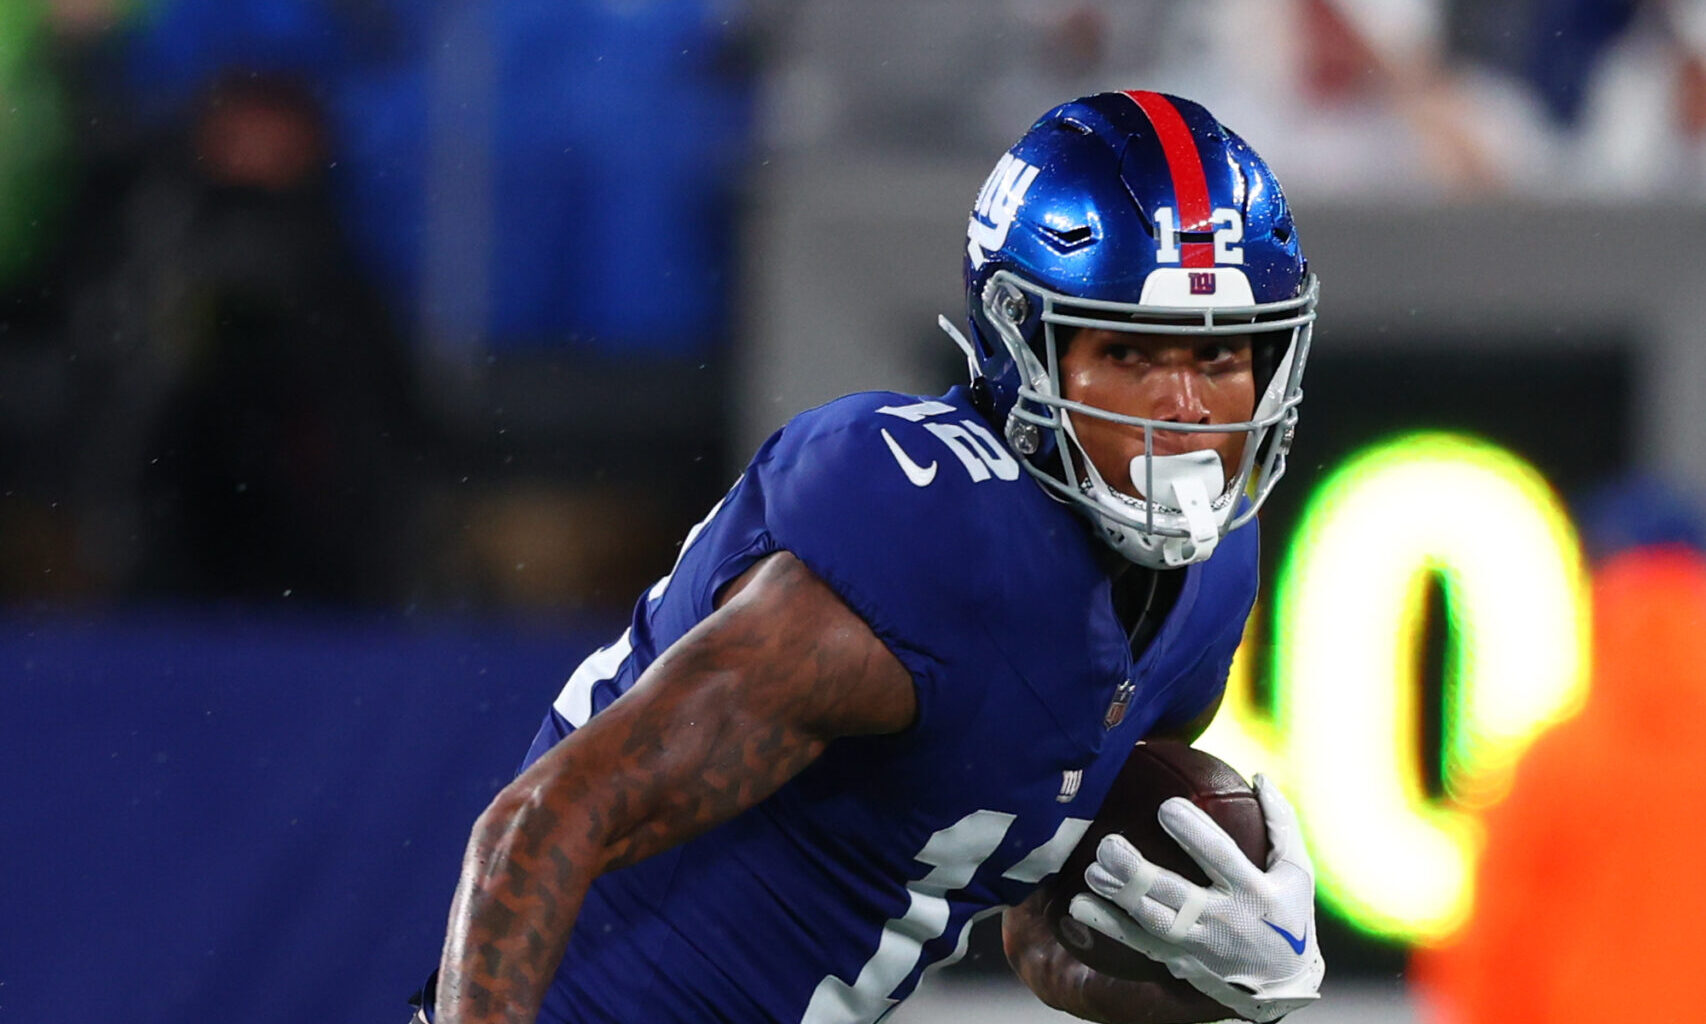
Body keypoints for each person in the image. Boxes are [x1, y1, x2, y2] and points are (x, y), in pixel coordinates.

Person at [419, 90, 1325, 1024]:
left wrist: (1229, 972)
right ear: (1026, 351)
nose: (1184, 410)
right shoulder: (928, 536)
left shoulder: (1211, 584)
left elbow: (1036, 924)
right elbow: (538, 825)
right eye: (1134, 354)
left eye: (1220, 358)